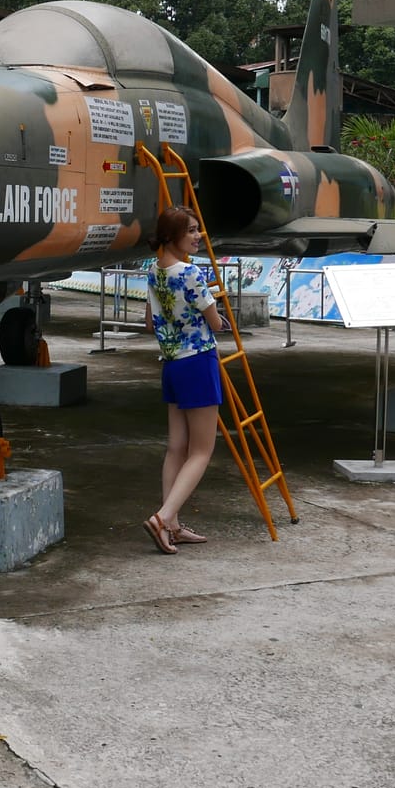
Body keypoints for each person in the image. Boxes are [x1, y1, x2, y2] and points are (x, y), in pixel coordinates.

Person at [143, 205, 225, 554]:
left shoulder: (154, 271)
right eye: (191, 231)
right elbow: (217, 323)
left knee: (177, 446)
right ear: (173, 236)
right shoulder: (191, 274)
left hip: (172, 363)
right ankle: (163, 518)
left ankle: (172, 526)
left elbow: (150, 324)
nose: (197, 236)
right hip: (198, 361)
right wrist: (214, 311)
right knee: (202, 450)